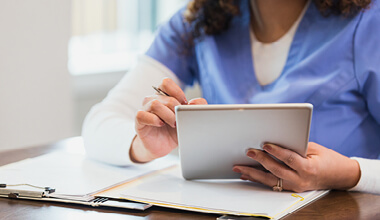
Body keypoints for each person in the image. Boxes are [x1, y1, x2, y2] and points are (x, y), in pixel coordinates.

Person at [82, 0, 380, 194]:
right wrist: (144, 146)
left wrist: (349, 173)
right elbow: (99, 123)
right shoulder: (199, 20)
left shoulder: (369, 22)